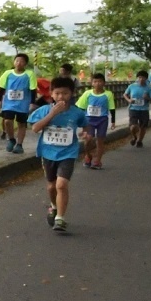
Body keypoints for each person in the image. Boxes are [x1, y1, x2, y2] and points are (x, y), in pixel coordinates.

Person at [28, 76, 88, 233]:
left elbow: (86, 125)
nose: (62, 97)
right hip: (48, 153)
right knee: (51, 186)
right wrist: (52, 114)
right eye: (58, 93)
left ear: (72, 94)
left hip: (68, 153)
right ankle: (53, 206)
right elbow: (35, 129)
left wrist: (87, 135)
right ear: (51, 94)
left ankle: (60, 218)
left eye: (66, 93)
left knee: (61, 184)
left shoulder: (77, 113)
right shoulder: (44, 110)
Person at [0, 53, 38, 154]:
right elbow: (1, 88)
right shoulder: (7, 73)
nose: (19, 63)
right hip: (9, 103)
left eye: (22, 61)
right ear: (14, 62)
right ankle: (11, 139)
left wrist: (32, 103)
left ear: (25, 64)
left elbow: (33, 89)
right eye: (17, 61)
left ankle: (19, 144)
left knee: (21, 124)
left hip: (23, 104)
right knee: (7, 121)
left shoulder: (29, 74)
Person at [75, 72, 114, 169]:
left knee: (100, 141)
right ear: (92, 83)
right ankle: (88, 155)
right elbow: (80, 107)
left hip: (102, 120)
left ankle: (98, 161)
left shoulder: (108, 94)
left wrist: (113, 121)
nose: (97, 83)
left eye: (100, 81)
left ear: (104, 83)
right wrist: (79, 121)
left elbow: (112, 108)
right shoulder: (87, 93)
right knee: (88, 139)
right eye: (95, 81)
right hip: (89, 120)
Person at [124, 71, 151, 147]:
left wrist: (147, 98)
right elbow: (125, 94)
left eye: (143, 77)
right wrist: (129, 100)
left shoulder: (149, 88)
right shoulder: (132, 86)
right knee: (133, 126)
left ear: (146, 78)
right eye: (139, 77)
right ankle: (134, 137)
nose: (141, 79)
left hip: (144, 109)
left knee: (143, 126)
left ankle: (140, 141)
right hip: (133, 108)